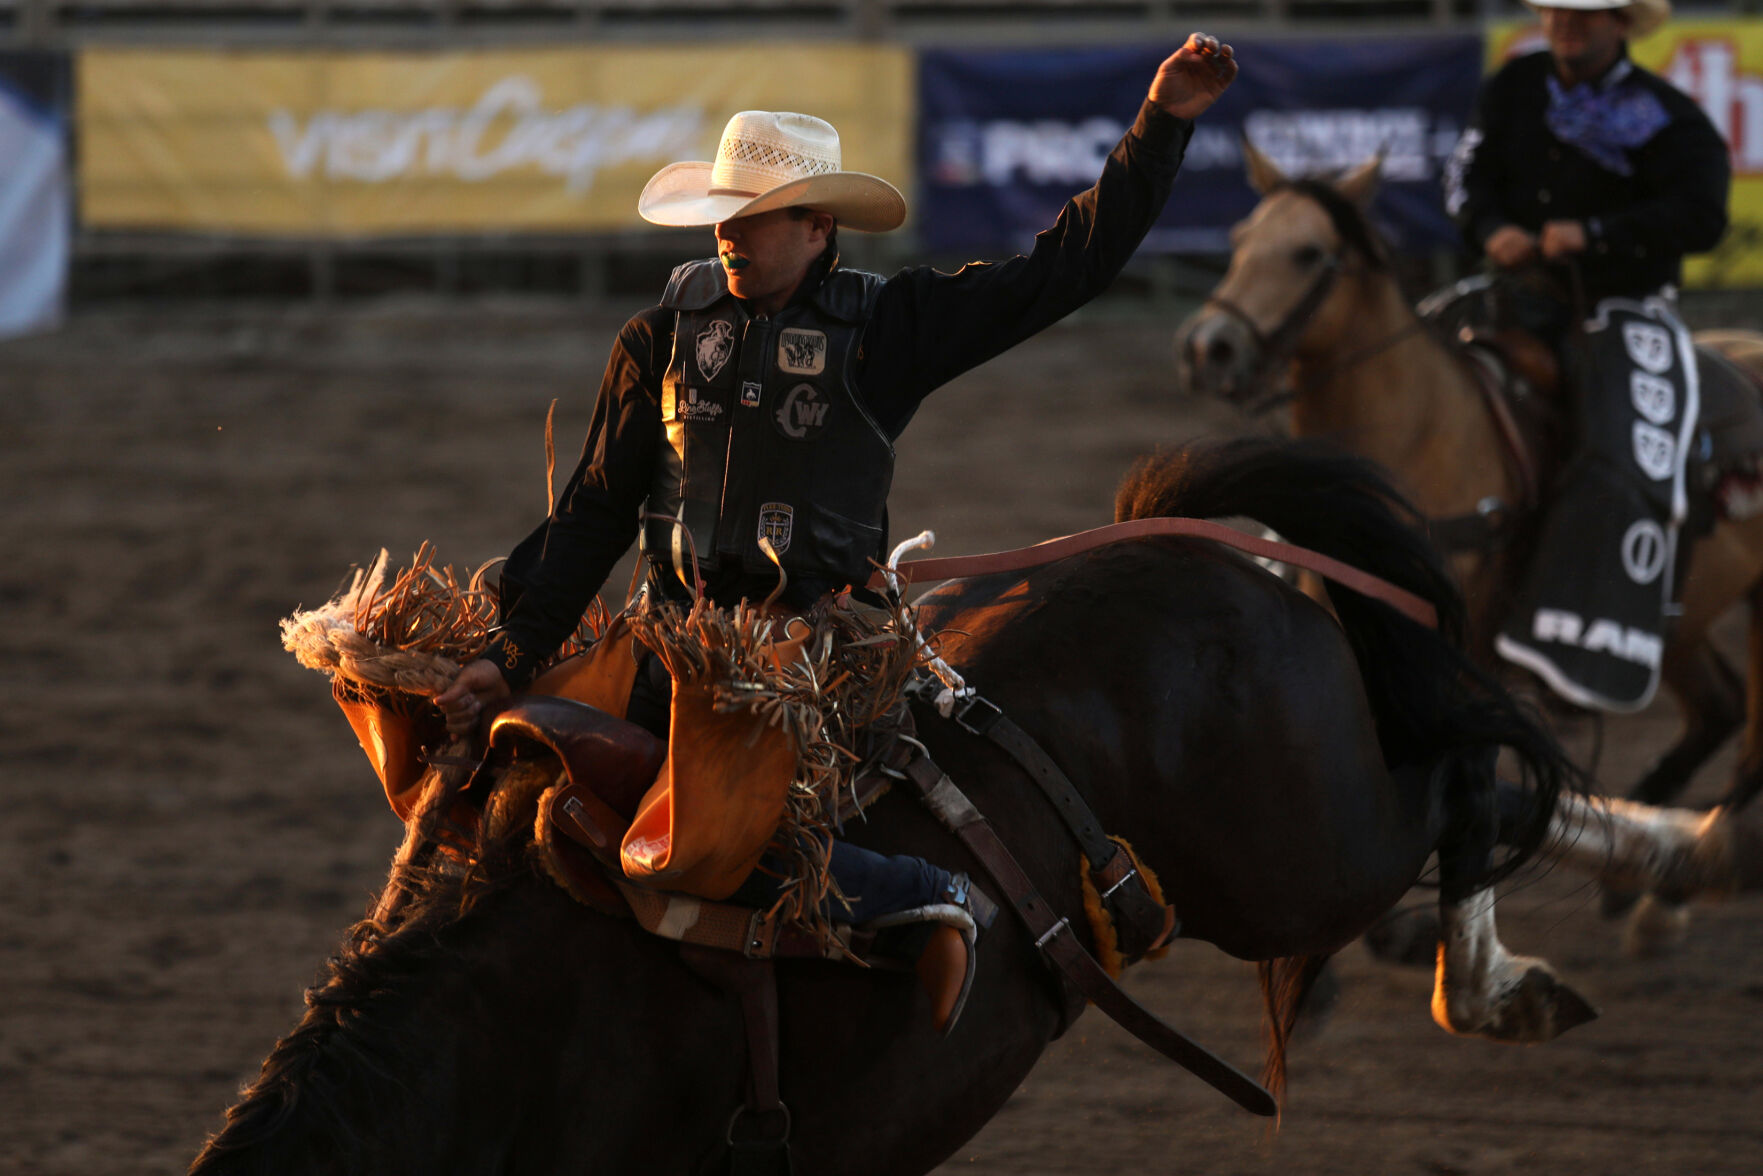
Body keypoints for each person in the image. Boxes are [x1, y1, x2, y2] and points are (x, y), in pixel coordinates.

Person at [433, 34, 1237, 1019]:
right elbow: (595, 510)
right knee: (503, 789)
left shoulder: (889, 328)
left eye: (761, 219)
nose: (733, 234)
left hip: (814, 655)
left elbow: (1062, 269)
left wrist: (1158, 127)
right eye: (726, 215)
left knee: (719, 827)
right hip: (668, 641)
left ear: (819, 230)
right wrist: (508, 651)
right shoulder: (657, 337)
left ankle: (917, 896)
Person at [1442, 0, 1729, 711]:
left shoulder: (1669, 116)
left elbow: (1702, 216)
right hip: (1510, 293)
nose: (1568, 23)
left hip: (1617, 305)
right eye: (1557, 11)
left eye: (1588, 13)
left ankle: (1587, 621)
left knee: (1615, 448)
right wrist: (1492, 225)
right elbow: (1463, 179)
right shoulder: (1511, 88)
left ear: (1622, 23)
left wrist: (1596, 233)